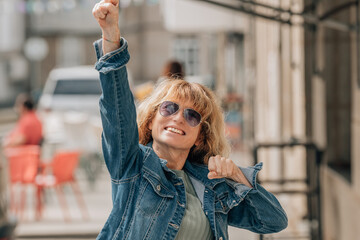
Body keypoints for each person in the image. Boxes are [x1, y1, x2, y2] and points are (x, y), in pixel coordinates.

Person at [92, 1, 288, 239]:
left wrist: (238, 177)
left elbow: (274, 221)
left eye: (191, 115)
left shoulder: (210, 186)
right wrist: (111, 37)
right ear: (151, 121)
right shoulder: (133, 167)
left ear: (200, 138)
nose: (178, 118)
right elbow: (117, 111)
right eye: (169, 108)